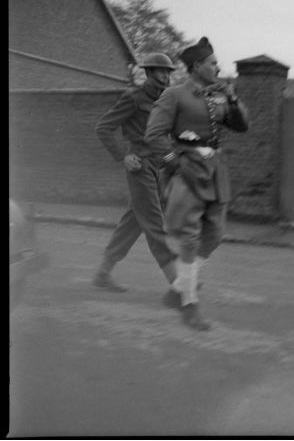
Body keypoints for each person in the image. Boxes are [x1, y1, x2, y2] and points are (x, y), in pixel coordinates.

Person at [145, 37, 249, 331]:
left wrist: (232, 99)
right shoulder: (174, 95)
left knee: (214, 235)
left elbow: (242, 126)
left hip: (215, 171)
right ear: (197, 66)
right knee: (189, 239)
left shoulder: (218, 96)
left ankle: (177, 288)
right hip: (187, 169)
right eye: (213, 63)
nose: (219, 68)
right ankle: (189, 305)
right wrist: (174, 163)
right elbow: (153, 135)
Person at [94, 53, 178, 292]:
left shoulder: (165, 100)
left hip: (158, 166)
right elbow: (103, 127)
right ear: (149, 73)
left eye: (168, 72)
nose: (166, 76)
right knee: (153, 222)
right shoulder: (133, 97)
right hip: (139, 166)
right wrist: (123, 156)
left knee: (134, 221)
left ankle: (103, 273)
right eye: (161, 72)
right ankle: (178, 283)